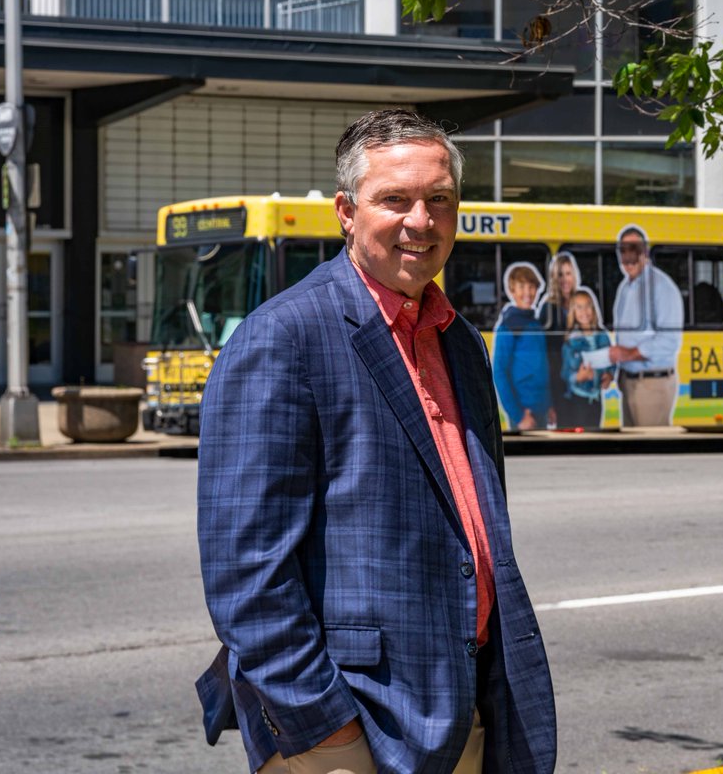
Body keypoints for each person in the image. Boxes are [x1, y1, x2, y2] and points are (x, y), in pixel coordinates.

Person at [195, 109, 557, 774]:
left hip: (458, 715)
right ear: (346, 211)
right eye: (395, 199)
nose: (420, 221)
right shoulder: (283, 338)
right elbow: (247, 574)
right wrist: (326, 733)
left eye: (439, 200)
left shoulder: (461, 343)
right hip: (351, 730)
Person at [609, 225, 684, 426]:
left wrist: (627, 354)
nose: (628, 257)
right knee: (632, 454)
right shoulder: (625, 287)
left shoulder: (662, 287)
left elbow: (669, 341)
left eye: (635, 250)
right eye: (623, 251)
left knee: (650, 449)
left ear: (646, 252)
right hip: (629, 382)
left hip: (652, 384)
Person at [492, 261, 551, 431]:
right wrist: (518, 415)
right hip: (524, 411)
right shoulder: (508, 326)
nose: (528, 292)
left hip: (541, 408)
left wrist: (550, 405)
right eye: (522, 287)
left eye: (532, 287)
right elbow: (499, 372)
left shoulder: (535, 324)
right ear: (512, 290)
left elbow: (543, 368)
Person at [559, 288, 613, 428]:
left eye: (588, 305)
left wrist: (610, 375)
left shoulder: (602, 336)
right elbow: (565, 373)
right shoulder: (571, 341)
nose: (585, 311)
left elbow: (611, 362)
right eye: (579, 307)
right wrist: (578, 377)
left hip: (596, 398)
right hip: (578, 398)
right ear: (573, 312)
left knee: (594, 433)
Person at [536, 252, 579, 427]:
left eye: (568, 273)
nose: (565, 279)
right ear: (554, 278)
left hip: (580, 378)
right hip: (558, 380)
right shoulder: (548, 307)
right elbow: (545, 352)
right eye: (560, 274)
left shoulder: (582, 302)